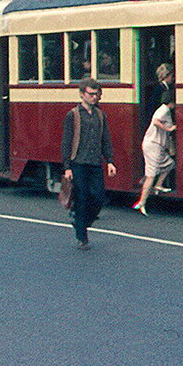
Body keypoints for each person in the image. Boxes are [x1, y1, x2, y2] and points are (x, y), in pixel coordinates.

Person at [61, 78, 117, 250]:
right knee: (82, 199)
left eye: (97, 94)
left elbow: (105, 139)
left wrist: (110, 161)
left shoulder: (100, 115)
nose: (94, 97)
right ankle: (82, 237)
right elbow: (66, 142)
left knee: (99, 198)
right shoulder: (73, 115)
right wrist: (67, 167)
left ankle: (81, 222)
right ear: (81, 94)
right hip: (78, 163)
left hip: (94, 163)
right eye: (91, 94)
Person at [132, 91, 176, 215]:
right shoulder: (164, 110)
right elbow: (156, 121)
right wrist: (169, 128)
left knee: (170, 164)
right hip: (153, 145)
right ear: (171, 102)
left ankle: (158, 185)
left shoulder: (162, 109)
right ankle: (141, 202)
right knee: (151, 174)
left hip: (156, 145)